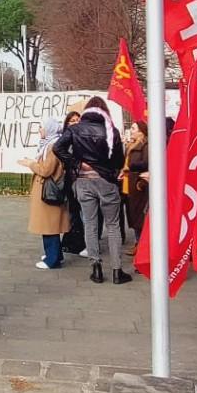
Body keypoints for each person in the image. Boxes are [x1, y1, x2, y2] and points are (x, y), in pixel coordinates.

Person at [58, 96, 128, 283]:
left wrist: (77, 163)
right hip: (106, 181)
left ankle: (95, 268)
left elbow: (58, 148)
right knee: (112, 225)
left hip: (83, 181)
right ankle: (116, 270)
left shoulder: (74, 129)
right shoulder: (111, 131)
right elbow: (119, 160)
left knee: (90, 223)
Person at [19, 119, 71, 269]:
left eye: (41, 127)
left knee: (49, 226)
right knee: (49, 224)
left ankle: (52, 259)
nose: (39, 130)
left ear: (49, 129)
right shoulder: (49, 145)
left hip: (48, 192)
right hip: (46, 191)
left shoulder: (53, 146)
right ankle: (54, 254)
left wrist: (30, 164)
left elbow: (46, 170)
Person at [121, 122, 150, 249]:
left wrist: (130, 166)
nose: (131, 130)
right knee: (132, 214)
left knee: (140, 216)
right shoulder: (130, 145)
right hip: (129, 183)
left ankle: (141, 244)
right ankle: (137, 242)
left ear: (141, 131)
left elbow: (147, 163)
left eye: (133, 128)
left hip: (139, 183)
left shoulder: (146, 145)